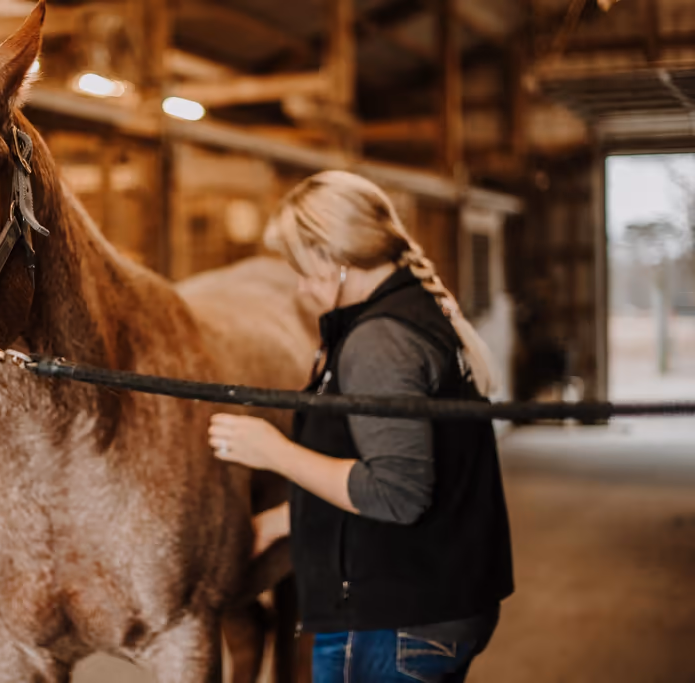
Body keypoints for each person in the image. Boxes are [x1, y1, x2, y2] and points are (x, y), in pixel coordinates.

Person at [209, 171, 514, 683]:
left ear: (336, 258)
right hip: (434, 598)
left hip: (393, 620)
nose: (302, 288)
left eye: (304, 270)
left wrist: (273, 451)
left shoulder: (379, 343)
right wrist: (283, 520)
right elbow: (383, 458)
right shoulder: (414, 312)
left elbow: (397, 494)